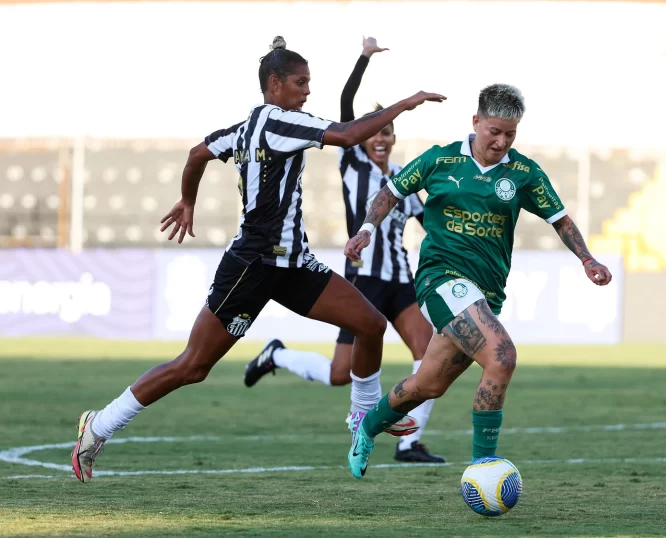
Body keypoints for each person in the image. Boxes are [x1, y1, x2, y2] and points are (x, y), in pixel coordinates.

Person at [71, 36, 446, 483]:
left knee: (370, 324)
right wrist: (406, 102)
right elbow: (347, 135)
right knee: (193, 366)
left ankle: (362, 418)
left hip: (292, 264)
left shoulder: (249, 126)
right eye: (300, 82)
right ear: (275, 83)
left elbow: (198, 154)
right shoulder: (280, 122)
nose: (307, 91)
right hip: (252, 266)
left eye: (309, 83)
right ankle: (99, 425)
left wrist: (188, 199)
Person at [342, 83, 613, 478]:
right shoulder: (440, 160)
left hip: (486, 293)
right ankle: (484, 467)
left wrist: (587, 259)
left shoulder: (523, 173)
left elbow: (561, 220)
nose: (502, 141)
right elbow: (391, 192)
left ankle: (366, 427)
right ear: (476, 122)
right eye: (495, 132)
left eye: (510, 134)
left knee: (428, 385)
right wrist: (367, 228)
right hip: (440, 278)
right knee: (502, 356)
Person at [242, 37, 444, 464]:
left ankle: (409, 444)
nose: (381, 138)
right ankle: (277, 354)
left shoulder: (404, 183)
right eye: (376, 132)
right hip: (364, 281)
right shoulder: (353, 163)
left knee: (429, 356)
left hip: (400, 282)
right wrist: (364, 58)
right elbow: (347, 103)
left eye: (387, 132)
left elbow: (433, 229)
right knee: (339, 374)